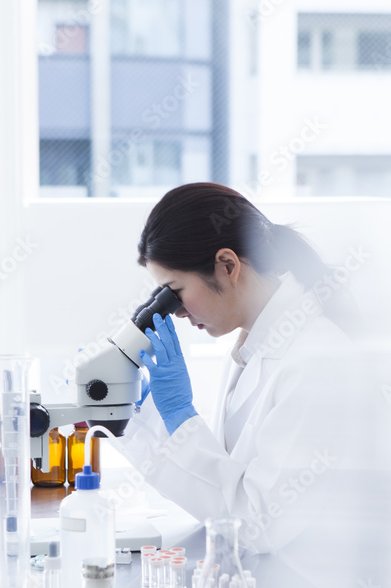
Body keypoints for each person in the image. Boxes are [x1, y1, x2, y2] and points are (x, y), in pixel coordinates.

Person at [113, 183, 369, 564]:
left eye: (174, 292)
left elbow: (260, 521)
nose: (175, 312)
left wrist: (178, 420)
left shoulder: (316, 362)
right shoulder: (254, 349)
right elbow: (231, 487)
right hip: (265, 573)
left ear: (228, 265)